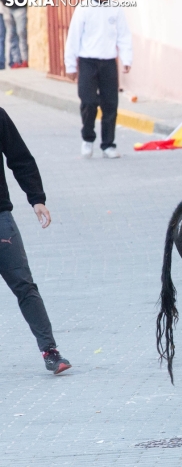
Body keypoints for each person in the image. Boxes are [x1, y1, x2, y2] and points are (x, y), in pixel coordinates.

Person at [0, 107, 71, 374]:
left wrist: (36, 198)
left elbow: (20, 158)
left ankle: (50, 351)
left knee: (24, 286)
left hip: (0, 221)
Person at [64, 0, 132, 159]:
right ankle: (88, 137)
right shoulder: (84, 8)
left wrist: (126, 58)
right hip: (88, 61)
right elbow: (73, 37)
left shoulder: (115, 8)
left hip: (108, 62)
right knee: (88, 102)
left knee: (110, 104)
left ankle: (108, 144)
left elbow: (123, 35)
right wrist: (70, 65)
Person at [0, 0, 27, 68]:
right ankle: (16, 61)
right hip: (7, 8)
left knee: (21, 33)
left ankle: (24, 59)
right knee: (11, 35)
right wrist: (5, 0)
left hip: (19, 6)